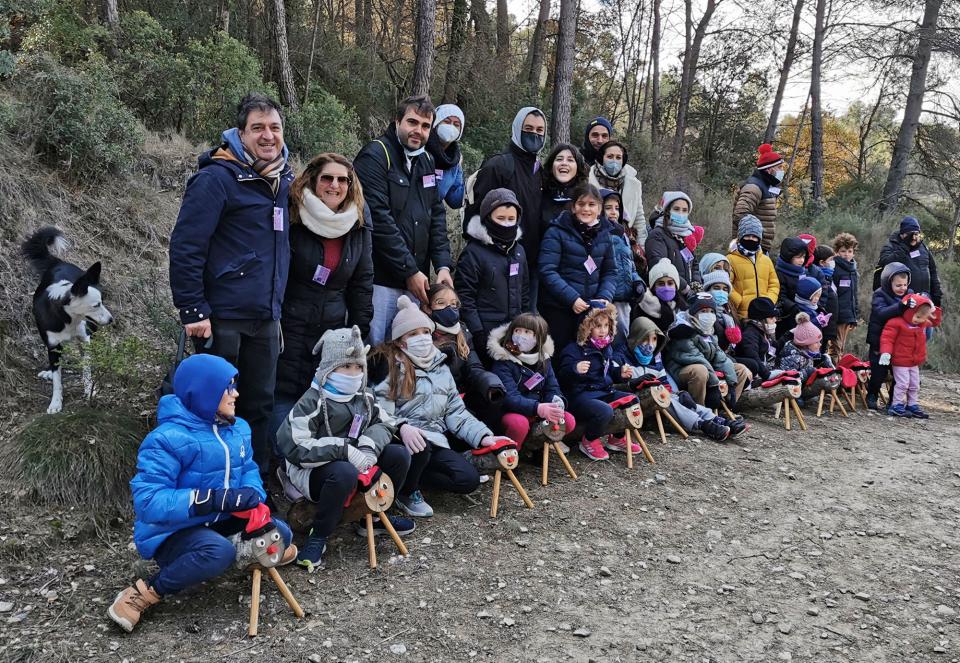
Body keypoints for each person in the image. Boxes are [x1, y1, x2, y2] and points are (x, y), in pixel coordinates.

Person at [109, 354, 295, 632]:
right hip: (174, 532)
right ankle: (144, 593)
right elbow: (148, 501)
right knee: (218, 552)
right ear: (205, 392)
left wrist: (252, 494)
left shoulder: (238, 429)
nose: (236, 394)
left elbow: (249, 469)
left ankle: (243, 554)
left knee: (283, 532)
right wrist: (207, 499)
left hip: (221, 520)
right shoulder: (167, 438)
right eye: (228, 388)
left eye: (235, 386)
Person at [169, 93, 293, 477]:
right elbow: (186, 246)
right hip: (222, 317)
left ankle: (252, 485)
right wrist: (192, 308)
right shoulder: (216, 179)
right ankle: (210, 485)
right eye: (258, 128)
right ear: (240, 133)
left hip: (266, 318)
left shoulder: (282, 180)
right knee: (212, 406)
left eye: (274, 128)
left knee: (258, 404)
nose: (268, 136)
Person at [275, 327, 413, 572]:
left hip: (358, 459)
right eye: (345, 367)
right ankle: (318, 534)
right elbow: (293, 445)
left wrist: (368, 446)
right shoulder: (312, 401)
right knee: (343, 473)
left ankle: (371, 513)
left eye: (358, 367)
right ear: (329, 368)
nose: (354, 373)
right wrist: (344, 449)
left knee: (399, 455)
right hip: (315, 470)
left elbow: (385, 422)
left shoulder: (364, 397)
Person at [372, 296, 505, 518]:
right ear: (400, 341)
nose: (422, 339)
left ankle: (417, 478)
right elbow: (378, 410)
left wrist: (483, 436)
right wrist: (401, 427)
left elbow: (456, 411)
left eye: (425, 332)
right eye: (413, 334)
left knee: (468, 480)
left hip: (435, 438)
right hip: (403, 440)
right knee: (420, 448)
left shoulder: (441, 365)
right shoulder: (391, 367)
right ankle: (407, 491)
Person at [273, 153, 373, 433]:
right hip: (288, 323)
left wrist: (358, 331)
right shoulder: (293, 213)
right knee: (282, 393)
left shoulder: (358, 221)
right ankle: (277, 459)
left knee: (318, 396)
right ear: (313, 180)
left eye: (343, 180)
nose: (335, 185)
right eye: (327, 178)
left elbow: (362, 281)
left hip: (331, 325)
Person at [354, 95, 453, 345]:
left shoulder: (427, 160)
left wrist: (442, 265)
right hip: (380, 281)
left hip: (415, 282)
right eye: (412, 122)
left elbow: (436, 215)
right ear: (397, 121)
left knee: (407, 355)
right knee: (377, 349)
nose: (418, 131)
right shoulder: (375, 155)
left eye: (425, 126)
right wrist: (409, 270)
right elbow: (378, 219)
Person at [469, 106, 547, 309]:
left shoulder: (540, 171)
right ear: (517, 128)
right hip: (495, 264)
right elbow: (476, 215)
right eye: (528, 128)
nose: (534, 134)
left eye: (540, 130)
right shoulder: (498, 166)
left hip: (529, 265)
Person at [622, 316, 746, 441]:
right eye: (645, 339)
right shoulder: (621, 358)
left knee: (681, 399)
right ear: (636, 338)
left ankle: (715, 419)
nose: (650, 345)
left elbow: (665, 385)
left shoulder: (655, 359)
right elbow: (614, 386)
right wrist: (633, 383)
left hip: (658, 401)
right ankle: (702, 425)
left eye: (654, 339)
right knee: (666, 399)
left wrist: (679, 394)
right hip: (635, 405)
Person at [538, 182, 617, 352]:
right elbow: (547, 270)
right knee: (561, 356)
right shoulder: (556, 231)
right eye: (581, 204)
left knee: (586, 360)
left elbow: (610, 271)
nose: (586, 209)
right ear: (573, 207)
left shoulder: (605, 234)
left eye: (591, 204)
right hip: (560, 309)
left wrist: (604, 296)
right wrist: (572, 298)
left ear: (599, 208)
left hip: (591, 311)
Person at [557, 305, 641, 461]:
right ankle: (589, 440)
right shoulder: (573, 349)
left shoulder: (606, 348)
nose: (603, 330)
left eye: (606, 326)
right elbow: (561, 376)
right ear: (586, 327)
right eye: (597, 326)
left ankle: (617, 438)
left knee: (632, 401)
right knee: (604, 411)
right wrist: (574, 369)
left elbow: (606, 373)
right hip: (581, 396)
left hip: (603, 391)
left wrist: (619, 374)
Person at [455, 188, 530, 358]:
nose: (506, 224)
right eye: (500, 218)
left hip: (514, 333)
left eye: (511, 219)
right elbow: (465, 297)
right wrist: (478, 332)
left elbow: (524, 291)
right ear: (488, 218)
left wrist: (525, 323)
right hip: (485, 332)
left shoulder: (519, 252)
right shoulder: (473, 253)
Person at [487, 313, 575, 452]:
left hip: (538, 410)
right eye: (517, 330)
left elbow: (552, 386)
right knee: (518, 424)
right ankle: (510, 455)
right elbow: (509, 397)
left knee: (568, 421)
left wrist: (556, 401)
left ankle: (535, 448)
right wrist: (538, 408)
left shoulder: (544, 359)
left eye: (527, 332)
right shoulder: (503, 360)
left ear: (538, 338)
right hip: (511, 411)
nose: (521, 335)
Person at [422, 283, 506, 416]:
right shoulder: (420, 335)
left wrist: (489, 382)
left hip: (461, 396)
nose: (449, 308)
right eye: (441, 303)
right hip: (432, 401)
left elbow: (474, 366)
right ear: (427, 307)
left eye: (454, 304)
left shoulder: (462, 332)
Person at [663, 296, 749, 407]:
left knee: (740, 369)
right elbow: (696, 358)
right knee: (700, 371)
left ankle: (728, 407)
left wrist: (732, 384)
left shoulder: (709, 331)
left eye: (711, 311)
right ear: (694, 313)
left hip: (707, 367)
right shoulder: (684, 331)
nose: (708, 315)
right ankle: (701, 411)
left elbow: (720, 357)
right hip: (681, 370)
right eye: (703, 311)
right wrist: (714, 385)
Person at [879, 294, 940, 418]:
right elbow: (887, 339)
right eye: (917, 317)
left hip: (914, 361)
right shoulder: (896, 323)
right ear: (909, 311)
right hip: (900, 361)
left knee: (914, 384)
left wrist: (934, 309)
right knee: (902, 384)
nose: (920, 320)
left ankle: (912, 404)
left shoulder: (921, 324)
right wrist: (886, 352)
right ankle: (896, 405)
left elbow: (935, 321)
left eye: (923, 318)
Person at [865, 263, 913, 410]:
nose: (902, 288)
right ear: (888, 282)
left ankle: (894, 400)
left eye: (905, 285)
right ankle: (872, 394)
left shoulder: (909, 294)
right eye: (898, 285)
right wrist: (900, 307)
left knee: (899, 374)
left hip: (900, 343)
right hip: (879, 342)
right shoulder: (880, 294)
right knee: (879, 372)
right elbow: (881, 313)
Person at [602, 189, 645, 335]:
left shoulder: (624, 236)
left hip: (625, 299)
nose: (613, 212)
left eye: (617, 208)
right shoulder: (599, 234)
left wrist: (638, 282)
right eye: (608, 208)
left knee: (622, 335)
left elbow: (631, 267)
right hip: (608, 298)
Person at [873, 216, 942, 306]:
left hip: (924, 299)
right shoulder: (891, 246)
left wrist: (936, 293)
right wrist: (905, 246)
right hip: (901, 302)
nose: (914, 237)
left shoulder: (923, 248)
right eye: (910, 234)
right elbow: (886, 264)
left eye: (916, 234)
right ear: (902, 234)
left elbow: (933, 271)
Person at [731, 143, 786, 254]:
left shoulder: (766, 185)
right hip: (750, 247)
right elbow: (740, 214)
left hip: (759, 247)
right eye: (779, 167)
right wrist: (752, 239)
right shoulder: (754, 187)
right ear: (769, 170)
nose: (782, 170)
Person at [645, 191, 702, 292]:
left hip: (686, 296)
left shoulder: (685, 235)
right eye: (676, 209)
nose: (681, 213)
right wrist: (685, 287)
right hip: (667, 293)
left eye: (685, 210)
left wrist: (696, 283)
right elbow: (659, 266)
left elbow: (694, 264)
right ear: (667, 210)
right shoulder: (657, 235)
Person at [588, 141, 645, 240]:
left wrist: (642, 247)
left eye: (618, 157)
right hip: (596, 239)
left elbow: (639, 219)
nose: (614, 161)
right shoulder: (587, 180)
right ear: (602, 158)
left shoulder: (634, 184)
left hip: (625, 240)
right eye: (610, 156)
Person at [727, 214, 779, 318]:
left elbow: (774, 284)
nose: (751, 239)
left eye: (755, 236)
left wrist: (768, 301)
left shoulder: (766, 260)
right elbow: (727, 285)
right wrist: (740, 301)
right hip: (742, 315)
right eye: (747, 235)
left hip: (764, 314)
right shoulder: (730, 259)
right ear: (740, 236)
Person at [540, 142, 588, 232]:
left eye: (570, 160)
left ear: (578, 168)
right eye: (559, 159)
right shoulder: (539, 196)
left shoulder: (586, 198)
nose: (564, 163)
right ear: (551, 167)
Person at [426, 103, 466, 209]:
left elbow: (455, 200)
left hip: (431, 220)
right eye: (447, 122)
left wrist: (475, 182)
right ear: (436, 124)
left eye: (456, 124)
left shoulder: (455, 160)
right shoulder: (420, 149)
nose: (451, 127)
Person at [777, 313, 834, 384]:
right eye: (816, 342)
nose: (820, 344)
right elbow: (789, 380)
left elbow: (810, 360)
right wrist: (808, 372)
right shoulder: (792, 358)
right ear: (805, 344)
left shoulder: (807, 352)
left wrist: (823, 360)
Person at [733, 296, 779, 382]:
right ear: (761, 319)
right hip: (754, 375)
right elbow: (752, 355)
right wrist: (766, 374)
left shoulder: (764, 331)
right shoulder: (750, 333)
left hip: (763, 372)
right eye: (771, 317)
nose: (775, 320)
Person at [636, 258, 687, 332]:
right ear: (653, 287)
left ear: (676, 286)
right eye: (661, 284)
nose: (666, 287)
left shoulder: (682, 307)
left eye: (670, 283)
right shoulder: (642, 307)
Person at [831, 232, 860, 357]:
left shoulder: (853, 270)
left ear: (853, 252)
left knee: (841, 346)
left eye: (849, 251)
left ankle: (837, 371)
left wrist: (855, 315)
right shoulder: (834, 268)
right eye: (843, 251)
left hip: (848, 314)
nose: (846, 254)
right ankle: (834, 373)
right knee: (835, 347)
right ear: (837, 251)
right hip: (837, 314)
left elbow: (854, 294)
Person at [774, 236, 809, 331]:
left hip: (803, 314)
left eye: (804, 257)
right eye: (798, 257)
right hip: (787, 318)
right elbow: (781, 296)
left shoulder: (802, 272)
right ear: (789, 257)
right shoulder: (779, 273)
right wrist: (793, 307)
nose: (802, 260)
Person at [702, 269, 741, 352]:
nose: (721, 292)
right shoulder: (702, 312)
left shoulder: (728, 312)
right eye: (716, 288)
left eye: (725, 289)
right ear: (708, 290)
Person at [812, 245, 839, 358]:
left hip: (829, 326)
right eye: (831, 260)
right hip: (822, 326)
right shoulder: (819, 278)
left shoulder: (829, 277)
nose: (833, 263)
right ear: (822, 262)